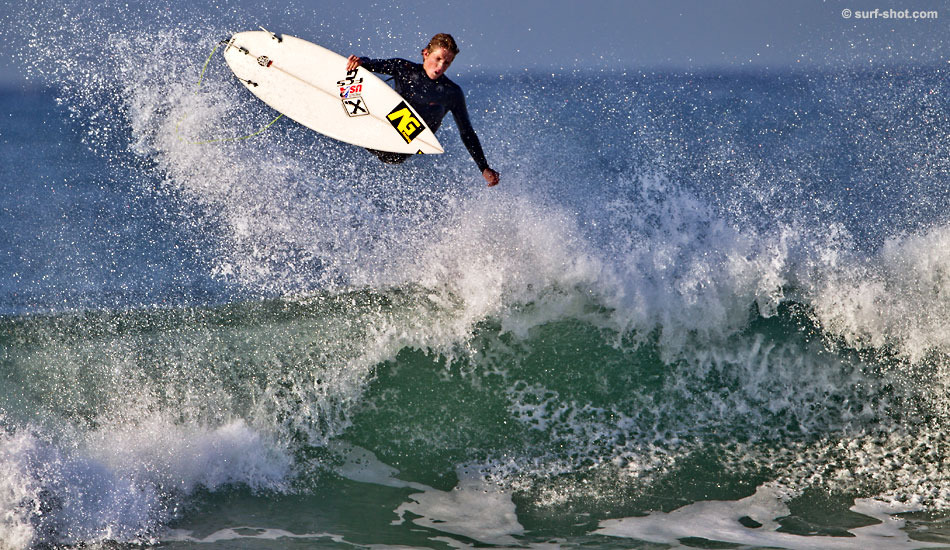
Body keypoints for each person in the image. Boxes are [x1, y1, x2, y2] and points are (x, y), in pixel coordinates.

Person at [346, 33, 500, 187]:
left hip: (400, 150)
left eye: (447, 63)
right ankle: (356, 111)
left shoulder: (451, 92)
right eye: (438, 59)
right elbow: (372, 64)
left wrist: (483, 167)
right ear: (425, 54)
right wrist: (360, 61)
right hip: (380, 135)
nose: (441, 67)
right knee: (378, 90)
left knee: (435, 109)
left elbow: (466, 132)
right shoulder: (404, 68)